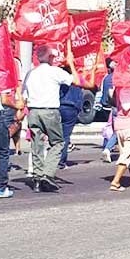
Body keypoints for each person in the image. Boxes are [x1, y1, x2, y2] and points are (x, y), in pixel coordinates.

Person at [23, 44, 89, 193]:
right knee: (58, 143)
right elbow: (76, 81)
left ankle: (37, 178)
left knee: (37, 145)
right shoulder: (55, 72)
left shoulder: (31, 74)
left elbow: (24, 95)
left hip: (33, 111)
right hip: (49, 111)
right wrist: (71, 63)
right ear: (50, 57)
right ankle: (47, 174)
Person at [58, 69, 86, 169]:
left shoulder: (60, 79)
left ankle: (54, 158)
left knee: (58, 135)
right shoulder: (78, 79)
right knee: (65, 136)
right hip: (72, 108)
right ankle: (61, 161)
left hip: (60, 106)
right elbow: (90, 84)